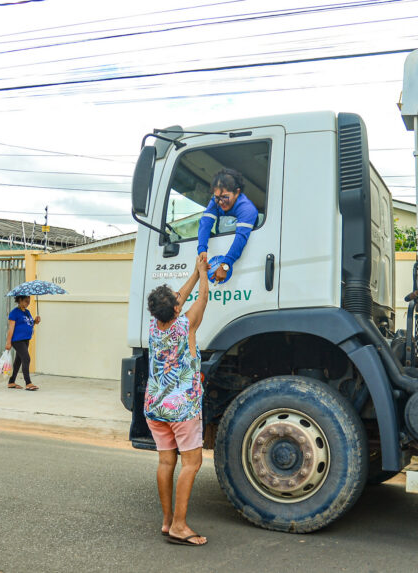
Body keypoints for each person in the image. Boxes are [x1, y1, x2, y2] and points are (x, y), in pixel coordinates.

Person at [144, 254, 210, 546]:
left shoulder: (154, 327)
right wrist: (204, 276)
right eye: (176, 299)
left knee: (166, 461)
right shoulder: (186, 326)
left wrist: (195, 271)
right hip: (182, 407)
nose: (179, 298)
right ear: (175, 308)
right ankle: (180, 526)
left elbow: (179, 297)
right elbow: (202, 299)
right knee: (191, 463)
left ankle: (167, 521)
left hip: (155, 405)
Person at [197, 168, 258, 282]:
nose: (220, 202)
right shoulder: (216, 200)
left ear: (237, 192)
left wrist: (226, 264)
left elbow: (240, 239)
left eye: (225, 197)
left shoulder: (247, 209)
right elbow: (205, 223)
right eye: (217, 197)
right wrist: (202, 249)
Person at [4, 295, 40, 391]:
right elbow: (11, 329)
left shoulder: (27, 312)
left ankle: (11, 382)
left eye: (29, 301)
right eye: (26, 301)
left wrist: (35, 321)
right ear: (20, 300)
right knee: (26, 358)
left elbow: (30, 323)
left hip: (25, 339)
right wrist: (8, 342)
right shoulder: (14, 313)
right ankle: (28, 383)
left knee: (18, 361)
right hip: (17, 340)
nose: (28, 303)